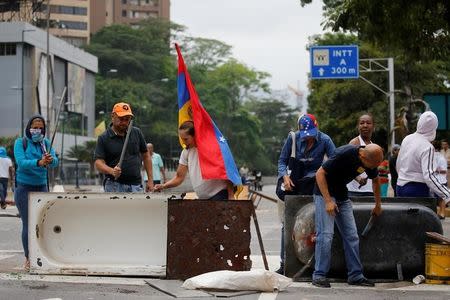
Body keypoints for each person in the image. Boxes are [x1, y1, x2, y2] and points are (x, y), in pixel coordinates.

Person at [312, 143, 384, 288]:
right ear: (362, 155)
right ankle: (319, 275)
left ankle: (355, 275)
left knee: (352, 236)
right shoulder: (344, 154)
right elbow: (319, 174)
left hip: (342, 195)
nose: (372, 168)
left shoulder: (370, 160)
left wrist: (378, 205)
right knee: (326, 235)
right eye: (372, 165)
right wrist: (327, 201)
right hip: (324, 193)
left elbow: (376, 180)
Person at [276, 113, 336, 274]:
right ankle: (284, 264)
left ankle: (311, 263)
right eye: (305, 136)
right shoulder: (293, 139)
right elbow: (282, 161)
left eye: (311, 136)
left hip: (315, 186)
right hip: (293, 185)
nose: (308, 139)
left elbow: (335, 161)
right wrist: (285, 176)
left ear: (317, 127)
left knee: (314, 224)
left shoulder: (325, 140)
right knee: (287, 225)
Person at [14, 115, 59, 270]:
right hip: (24, 188)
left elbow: (55, 161)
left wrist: (49, 159)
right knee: (28, 223)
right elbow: (21, 163)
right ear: (29, 127)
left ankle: (42, 256)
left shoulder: (45, 143)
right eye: (35, 127)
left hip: (42, 187)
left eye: (40, 128)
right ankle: (28, 257)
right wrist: (38, 162)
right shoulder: (21, 142)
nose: (37, 130)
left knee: (42, 223)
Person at [154, 121, 234, 200]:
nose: (184, 143)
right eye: (182, 139)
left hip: (219, 194)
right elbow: (179, 177)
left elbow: (226, 170)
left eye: (186, 139)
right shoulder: (186, 152)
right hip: (203, 198)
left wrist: (231, 195)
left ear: (195, 135)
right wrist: (163, 186)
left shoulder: (212, 148)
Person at [94, 102, 153, 192]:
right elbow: (98, 163)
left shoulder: (136, 132)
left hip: (136, 185)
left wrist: (150, 180)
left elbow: (146, 156)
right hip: (114, 185)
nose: (124, 122)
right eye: (121, 119)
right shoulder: (104, 137)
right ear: (113, 116)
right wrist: (111, 171)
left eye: (127, 119)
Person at [396, 111, 450, 205]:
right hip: (417, 189)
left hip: (400, 186)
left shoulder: (407, 139)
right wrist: (447, 194)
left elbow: (399, 164)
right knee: (425, 218)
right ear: (434, 128)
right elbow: (429, 176)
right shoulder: (427, 147)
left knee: (404, 219)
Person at [347, 114, 375, 196]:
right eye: (362, 123)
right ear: (358, 126)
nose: (365, 125)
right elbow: (347, 166)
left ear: (373, 126)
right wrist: (358, 178)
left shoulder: (373, 146)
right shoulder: (354, 143)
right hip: (354, 191)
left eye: (368, 123)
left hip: (369, 190)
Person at [432, 140, 447, 219]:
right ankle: (440, 213)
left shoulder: (440, 157)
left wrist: (436, 170)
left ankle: (442, 213)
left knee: (441, 198)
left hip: (440, 180)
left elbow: (444, 171)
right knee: (438, 199)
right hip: (436, 180)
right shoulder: (438, 156)